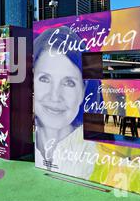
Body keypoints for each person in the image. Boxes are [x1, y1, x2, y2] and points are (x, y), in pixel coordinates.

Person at [34, 26, 98, 178]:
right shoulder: (24, 145)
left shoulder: (116, 167)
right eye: (44, 79)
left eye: (69, 82)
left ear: (84, 90)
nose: (55, 96)